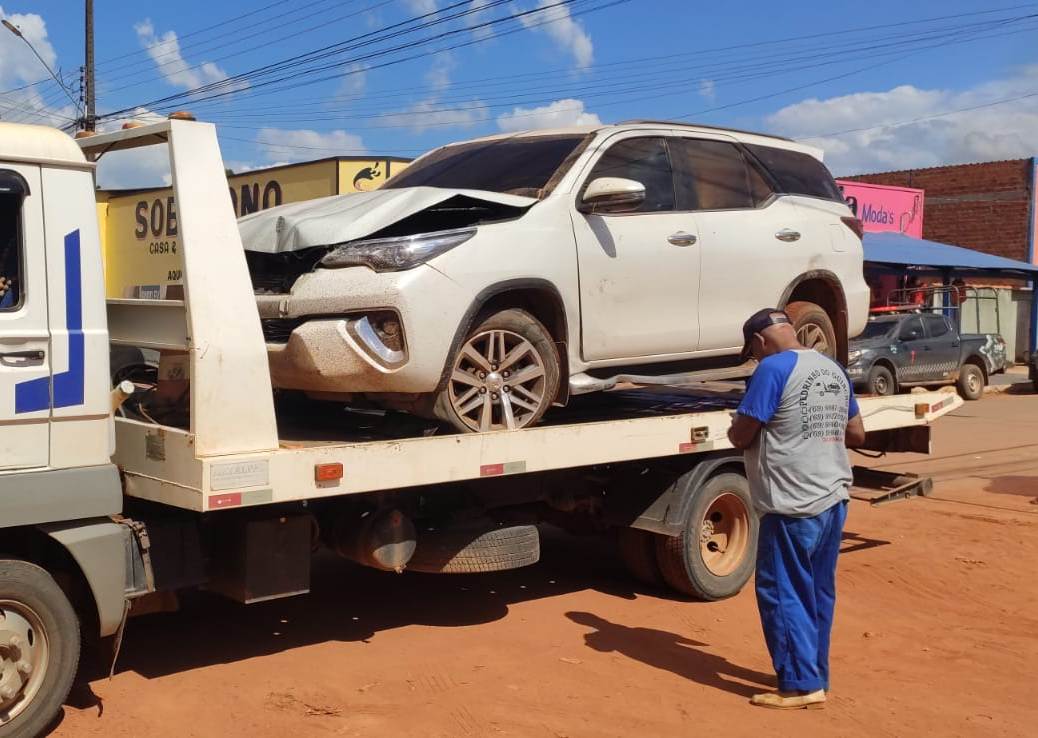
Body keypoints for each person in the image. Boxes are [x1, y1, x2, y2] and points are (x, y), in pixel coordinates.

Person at [727, 308, 865, 711]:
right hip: (833, 497)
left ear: (759, 342)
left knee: (784, 591)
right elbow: (856, 432)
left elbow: (742, 434)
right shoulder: (831, 368)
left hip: (793, 501)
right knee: (817, 591)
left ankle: (800, 685)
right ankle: (814, 674)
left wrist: (742, 425)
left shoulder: (772, 370)